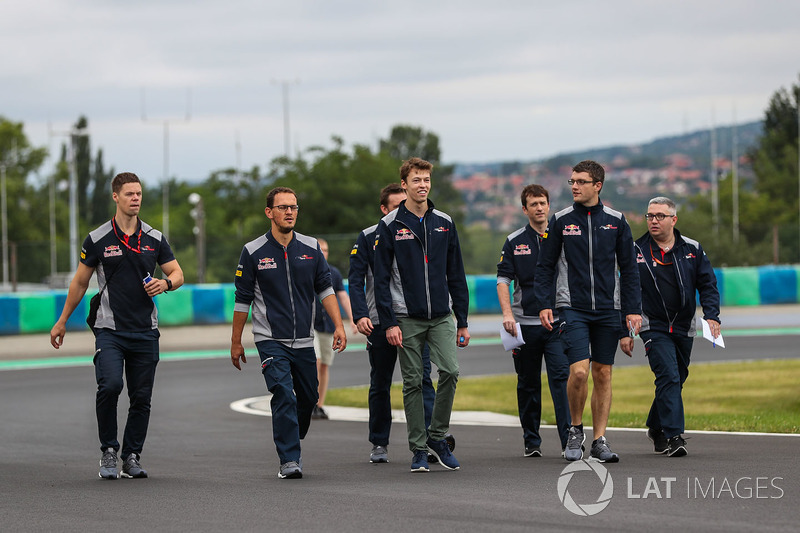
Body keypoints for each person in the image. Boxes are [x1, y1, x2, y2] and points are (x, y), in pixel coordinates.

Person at [50, 171, 184, 480]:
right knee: (110, 386)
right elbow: (80, 282)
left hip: (145, 331)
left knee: (141, 397)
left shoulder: (154, 237)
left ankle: (131, 456)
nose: (135, 198)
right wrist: (62, 321)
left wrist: (166, 284)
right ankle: (108, 451)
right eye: (129, 194)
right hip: (109, 329)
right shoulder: (97, 239)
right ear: (116, 197)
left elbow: (177, 273)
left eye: (138, 194)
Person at [230, 187, 347, 479]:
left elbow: (325, 289)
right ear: (269, 212)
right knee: (283, 393)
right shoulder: (253, 251)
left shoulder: (311, 247)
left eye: (294, 207)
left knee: (308, 397)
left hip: (306, 340)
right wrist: (235, 342)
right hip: (270, 340)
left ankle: (293, 431)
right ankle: (289, 459)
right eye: (283, 207)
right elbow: (242, 300)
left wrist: (340, 325)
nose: (290, 212)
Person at [535, 160, 642, 463]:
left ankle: (599, 440)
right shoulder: (560, 220)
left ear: (598, 186)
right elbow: (545, 267)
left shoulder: (617, 221)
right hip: (573, 308)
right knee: (579, 372)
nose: (574, 187)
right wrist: (545, 303)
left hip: (609, 308)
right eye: (572, 181)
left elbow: (630, 269)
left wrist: (632, 310)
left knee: (603, 373)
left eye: (581, 182)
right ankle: (574, 429)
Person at [374, 157, 469, 473]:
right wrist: (388, 321)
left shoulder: (444, 221)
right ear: (404, 185)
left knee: (451, 372)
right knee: (414, 382)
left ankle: (438, 437)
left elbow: (456, 272)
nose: (422, 185)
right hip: (406, 317)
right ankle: (418, 449)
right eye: (416, 180)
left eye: (426, 179)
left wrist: (463, 320)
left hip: (442, 315)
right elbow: (381, 279)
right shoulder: (389, 226)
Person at [620, 197, 720, 457]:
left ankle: (655, 426)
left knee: (677, 379)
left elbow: (707, 284)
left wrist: (712, 316)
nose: (653, 220)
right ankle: (674, 436)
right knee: (668, 376)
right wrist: (625, 331)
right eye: (650, 215)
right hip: (652, 326)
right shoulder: (635, 250)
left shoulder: (692, 248)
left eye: (660, 216)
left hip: (684, 325)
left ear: (673, 220)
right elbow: (623, 292)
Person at [349, 183, 440, 464]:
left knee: (423, 378)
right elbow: (355, 279)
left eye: (406, 203)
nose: (403, 209)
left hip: (414, 319)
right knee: (381, 381)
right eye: (396, 205)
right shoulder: (367, 237)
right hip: (379, 321)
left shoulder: (419, 230)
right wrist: (361, 314)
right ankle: (379, 442)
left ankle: (429, 441)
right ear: (383, 209)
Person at [497, 184, 571, 458]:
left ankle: (569, 442)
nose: (539, 208)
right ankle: (532, 441)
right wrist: (507, 314)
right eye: (534, 204)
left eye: (543, 203)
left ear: (549, 206)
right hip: (524, 325)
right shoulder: (514, 240)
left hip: (557, 323)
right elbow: (503, 280)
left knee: (561, 381)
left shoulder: (562, 236)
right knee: (528, 384)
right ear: (525, 209)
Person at [311, 237, 356, 420]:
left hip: (328, 325)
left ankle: (320, 404)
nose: (323, 253)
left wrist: (353, 318)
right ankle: (309, 401)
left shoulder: (334, 273)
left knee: (324, 365)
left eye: (326, 250)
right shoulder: (305, 269)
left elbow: (343, 296)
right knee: (314, 360)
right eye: (320, 249)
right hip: (309, 325)